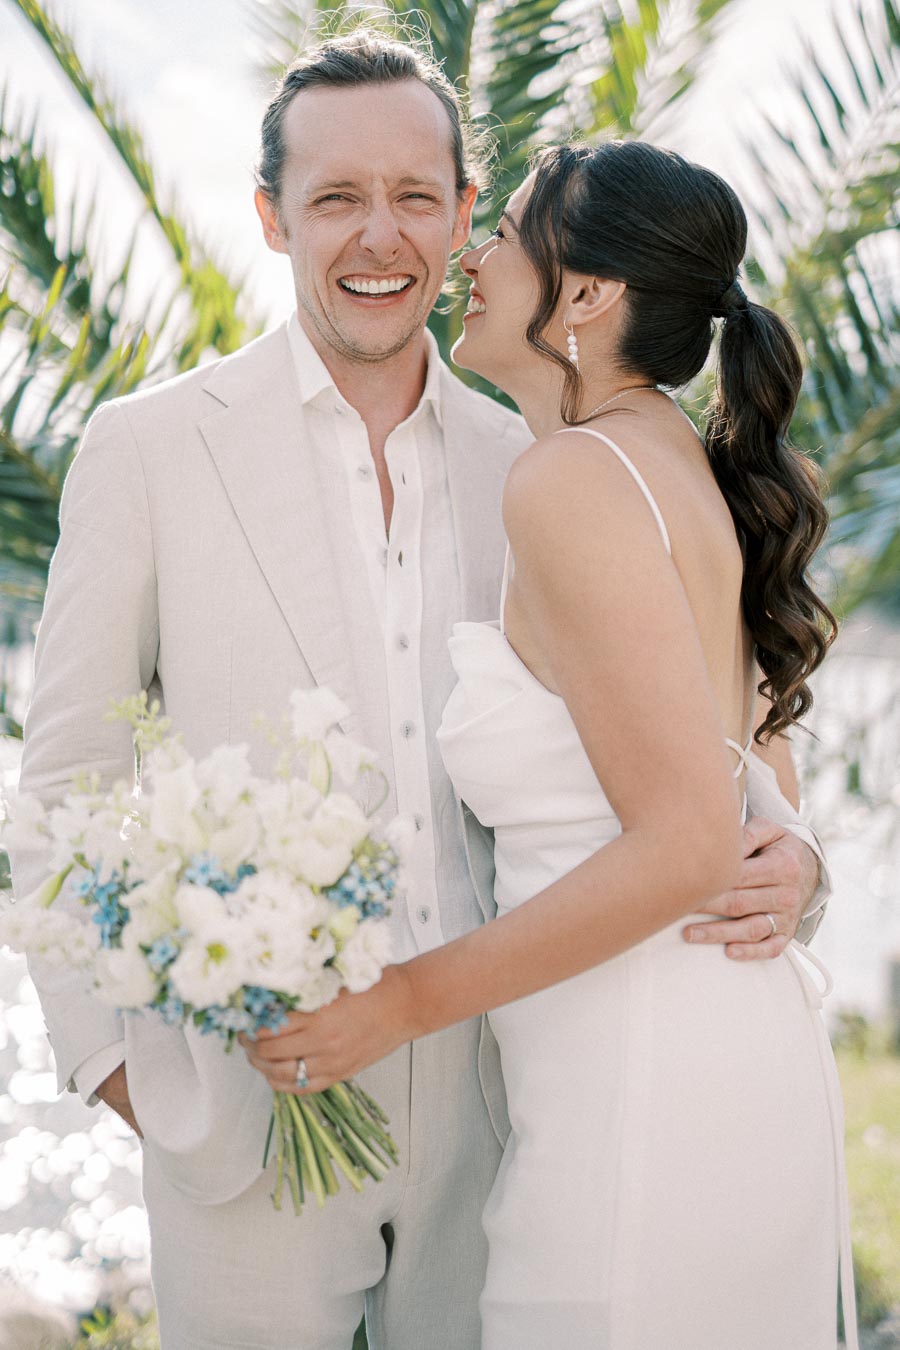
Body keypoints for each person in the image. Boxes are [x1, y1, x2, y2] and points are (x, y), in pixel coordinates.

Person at [8, 30, 829, 1350]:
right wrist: (118, 1064)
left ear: (461, 219)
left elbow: (723, 740)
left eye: (414, 197)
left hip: (510, 1108)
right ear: (274, 217)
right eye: (335, 197)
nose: (376, 234)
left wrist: (797, 864)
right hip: (248, 1105)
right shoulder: (147, 448)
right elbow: (64, 782)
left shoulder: (546, 456)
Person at [242, 141, 859, 1350]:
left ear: (584, 296)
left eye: (509, 231)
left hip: (644, 1087)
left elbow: (686, 838)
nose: (475, 253)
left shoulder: (574, 478)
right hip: (704, 1052)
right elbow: (747, 781)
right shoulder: (676, 457)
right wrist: (806, 867)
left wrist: (400, 1002)